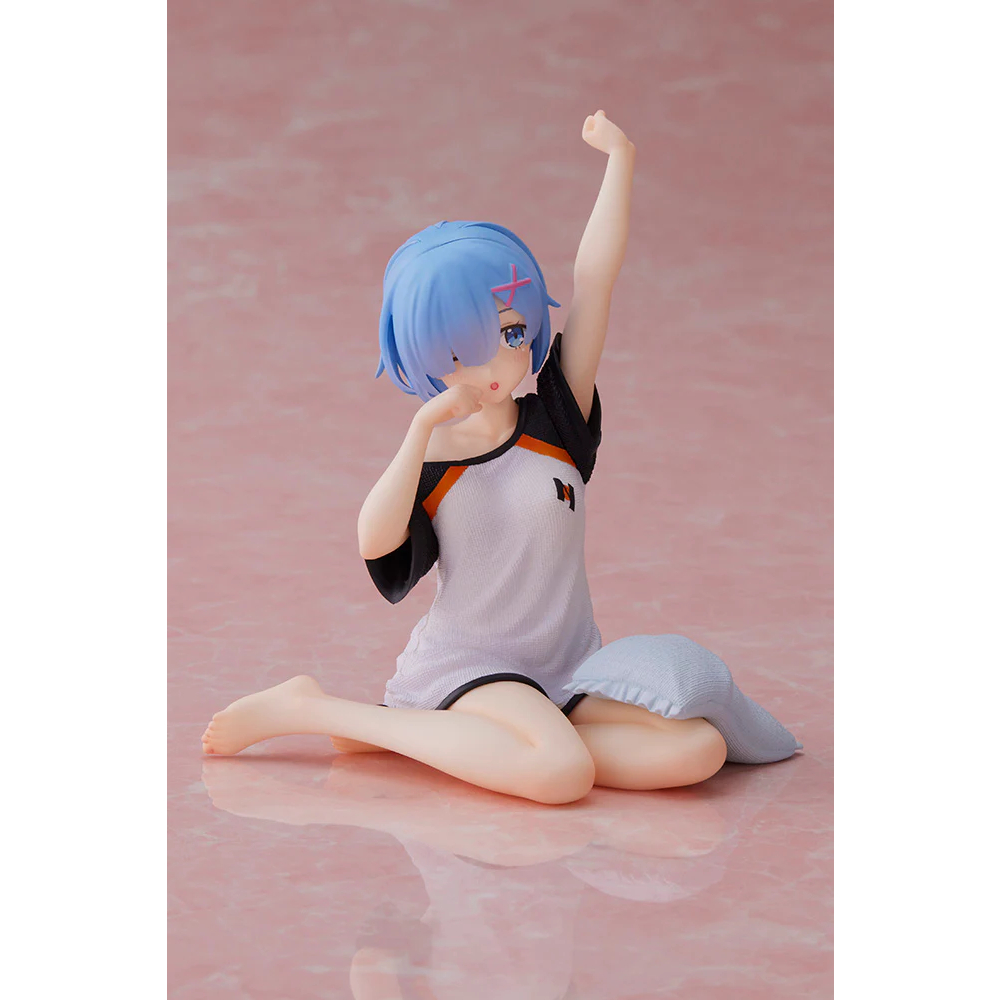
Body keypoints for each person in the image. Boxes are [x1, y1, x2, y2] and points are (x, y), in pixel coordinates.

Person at [202, 111, 786, 804]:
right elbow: (373, 542)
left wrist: (620, 159)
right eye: (460, 350)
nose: (494, 365)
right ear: (428, 354)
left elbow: (594, 281)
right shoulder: (435, 454)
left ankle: (449, 740)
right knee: (560, 775)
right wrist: (420, 430)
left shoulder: (556, 420)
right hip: (473, 666)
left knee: (697, 749)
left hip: (567, 667)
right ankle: (320, 711)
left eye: (509, 334)